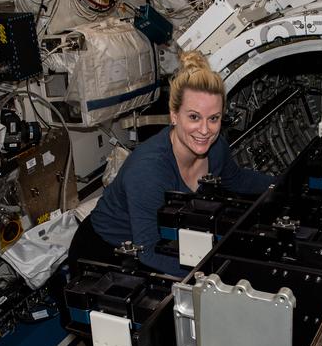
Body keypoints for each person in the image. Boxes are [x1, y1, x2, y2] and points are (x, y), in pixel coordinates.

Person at [69, 50, 273, 275]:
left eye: (213, 118)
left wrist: (283, 184)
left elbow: (238, 179)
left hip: (164, 243)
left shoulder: (216, 148)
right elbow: (149, 250)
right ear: (174, 115)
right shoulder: (149, 170)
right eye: (194, 117)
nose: (205, 130)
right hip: (106, 254)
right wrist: (217, 274)